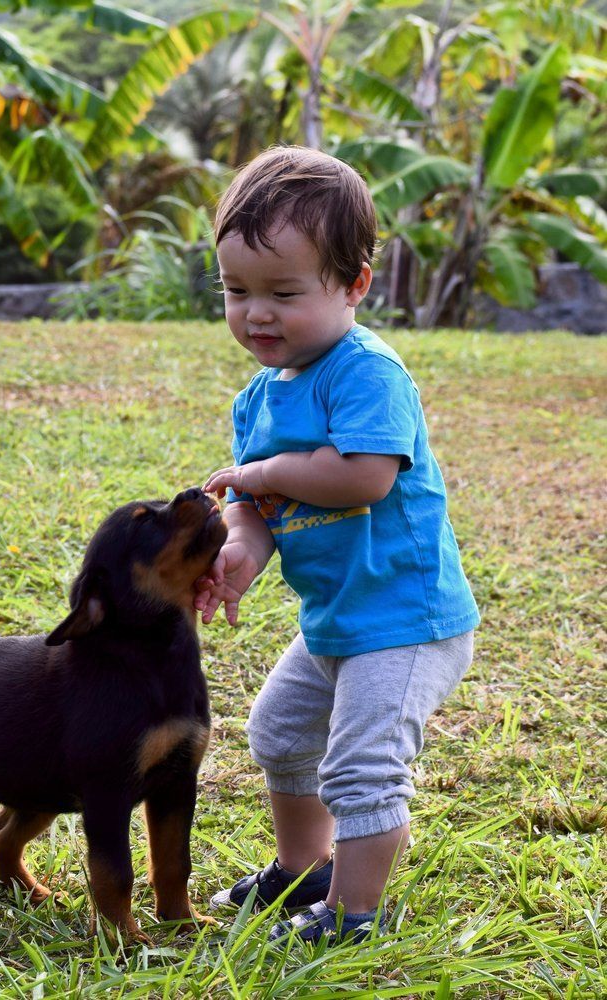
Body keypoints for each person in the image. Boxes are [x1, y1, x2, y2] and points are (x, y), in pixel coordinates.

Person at [195, 145, 479, 947]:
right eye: (236, 290)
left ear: (354, 285)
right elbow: (255, 506)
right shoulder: (258, 397)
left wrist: (265, 469)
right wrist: (241, 548)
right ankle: (305, 868)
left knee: (361, 769)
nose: (256, 313)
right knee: (280, 733)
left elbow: (362, 479)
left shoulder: (368, 372)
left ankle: (356, 915)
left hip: (405, 619)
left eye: (283, 293)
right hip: (337, 619)